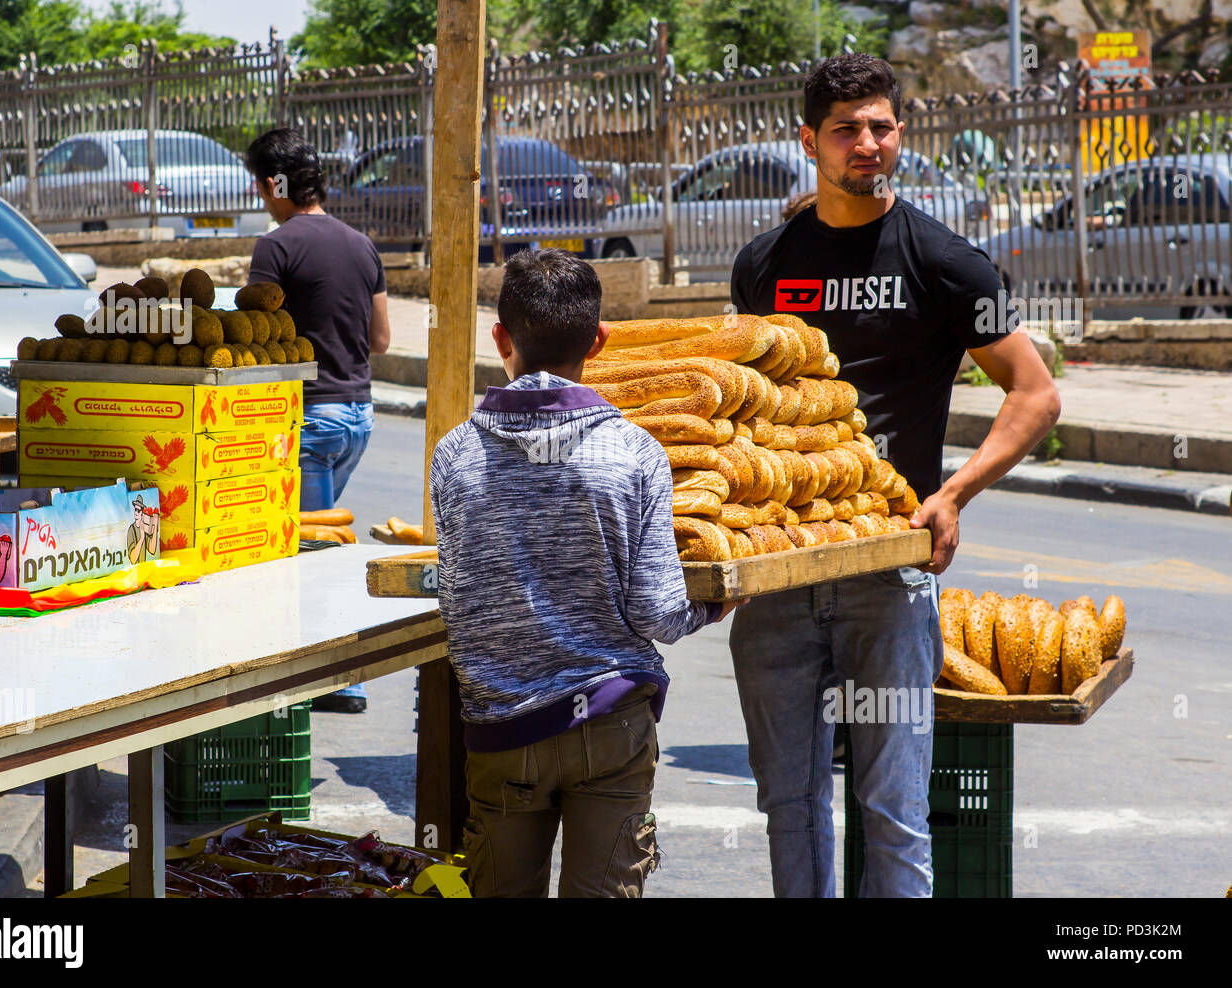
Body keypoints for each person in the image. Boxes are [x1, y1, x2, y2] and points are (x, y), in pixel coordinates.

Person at [728, 53, 1060, 898]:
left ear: (899, 133)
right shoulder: (764, 264)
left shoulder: (948, 263)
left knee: (894, 808)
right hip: (781, 567)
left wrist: (952, 494)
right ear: (810, 141)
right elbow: (748, 412)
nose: (866, 144)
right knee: (789, 802)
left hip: (891, 566)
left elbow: (1035, 394)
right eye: (845, 130)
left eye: (880, 126)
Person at [429, 248, 747, 898]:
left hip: (502, 729)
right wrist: (712, 607)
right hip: (611, 726)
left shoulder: (454, 453)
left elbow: (461, 598)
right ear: (599, 341)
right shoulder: (635, 453)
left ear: (501, 339)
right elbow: (658, 610)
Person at [245, 127, 391, 713]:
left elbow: (254, 334)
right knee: (318, 539)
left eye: (259, 184)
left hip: (310, 420)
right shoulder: (363, 245)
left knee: (315, 552)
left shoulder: (275, 248)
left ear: (274, 184)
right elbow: (380, 338)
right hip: (358, 416)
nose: (260, 195)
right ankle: (317, 666)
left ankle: (344, 680)